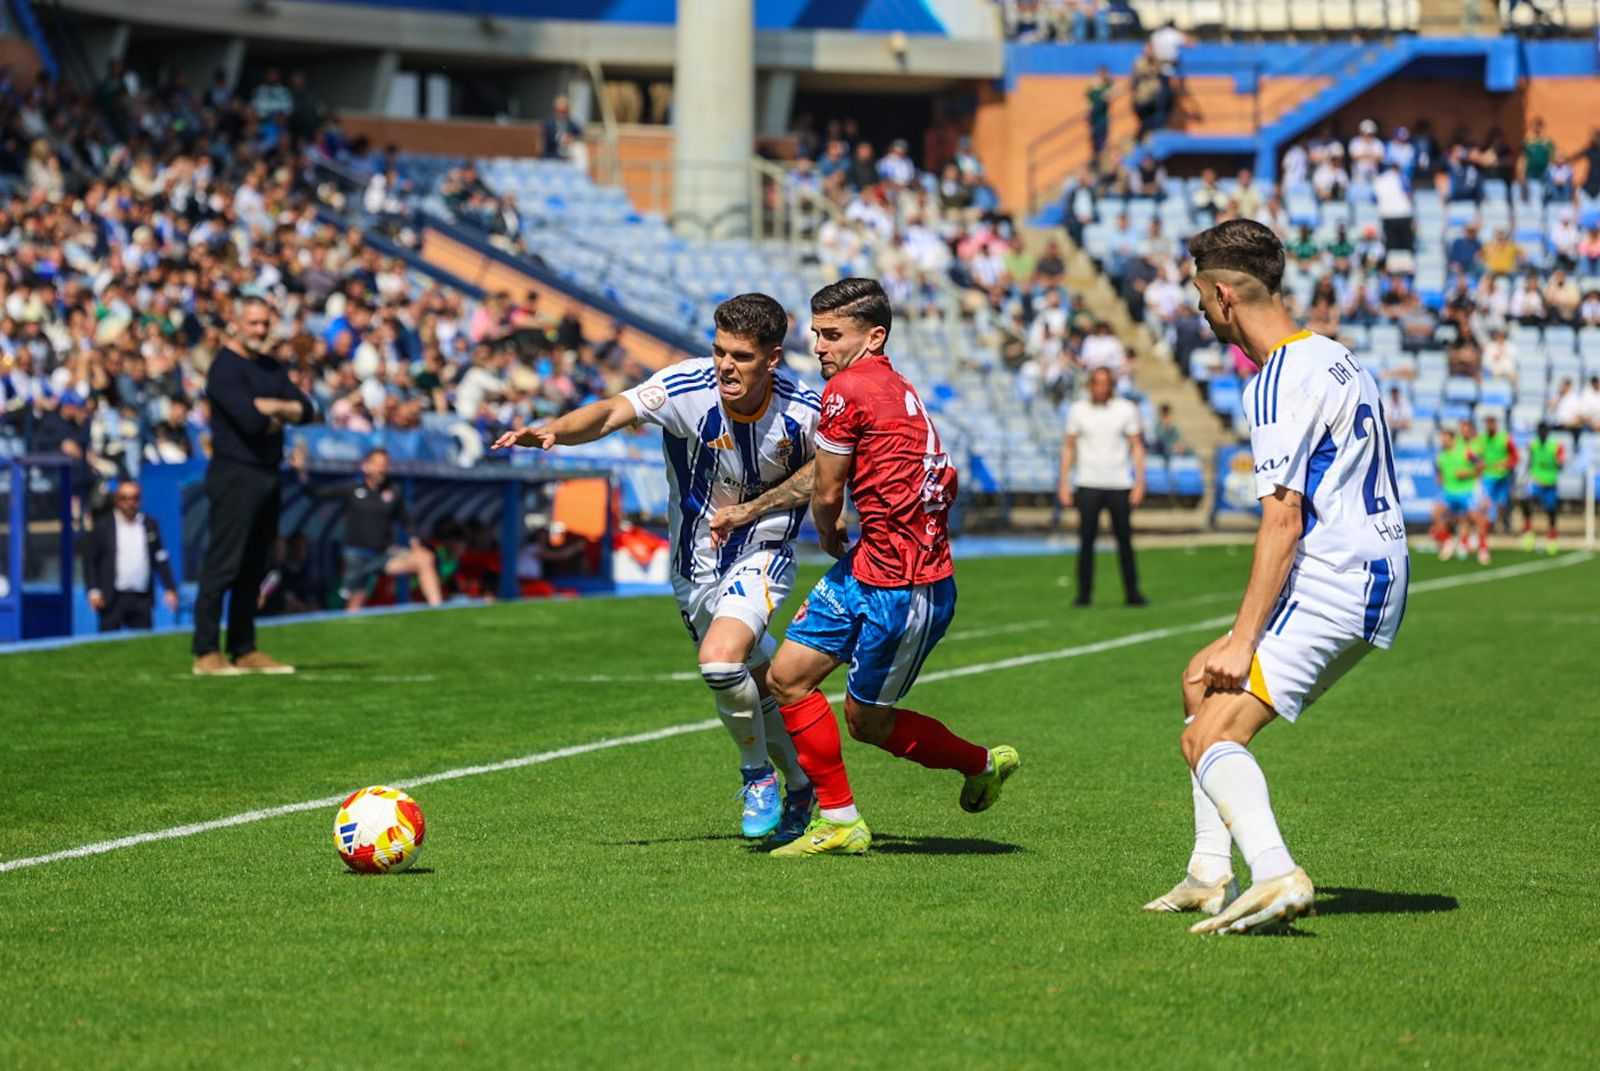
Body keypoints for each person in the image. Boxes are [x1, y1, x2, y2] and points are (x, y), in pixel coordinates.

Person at [1146, 220, 1408, 934]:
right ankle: (1208, 872)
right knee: (1201, 682)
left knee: (1209, 735)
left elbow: (1283, 520)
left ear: (1226, 295)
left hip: (1335, 577)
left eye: (1200, 294)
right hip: (1375, 566)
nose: (1198, 309)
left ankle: (1274, 872)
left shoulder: (1274, 383)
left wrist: (1246, 636)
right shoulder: (1337, 355)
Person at [493, 294, 818, 843]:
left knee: (719, 664)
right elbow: (612, 412)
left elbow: (829, 472)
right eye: (718, 351)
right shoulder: (686, 389)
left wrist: (782, 514)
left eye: (740, 355)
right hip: (694, 567)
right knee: (758, 686)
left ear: (773, 359)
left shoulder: (805, 409)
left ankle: (757, 775)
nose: (725, 366)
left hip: (763, 552)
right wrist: (556, 430)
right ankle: (801, 786)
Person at [759, 278, 1021, 858]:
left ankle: (981, 763)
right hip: (872, 566)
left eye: (832, 335)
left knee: (866, 723)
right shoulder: (891, 385)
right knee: (787, 678)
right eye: (817, 334)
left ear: (874, 336)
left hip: (906, 586)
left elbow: (827, 493)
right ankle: (840, 820)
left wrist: (829, 536)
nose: (820, 346)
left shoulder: (847, 388)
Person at [190, 296, 317, 676]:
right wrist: (280, 410)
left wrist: (273, 406)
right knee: (224, 563)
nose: (261, 330)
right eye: (254, 323)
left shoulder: (270, 366)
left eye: (265, 324)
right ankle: (206, 651)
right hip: (234, 473)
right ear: (236, 322)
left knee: (256, 564)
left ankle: (244, 648)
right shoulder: (225, 369)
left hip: (266, 472)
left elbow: (308, 410)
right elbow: (248, 421)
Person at [290, 446, 443, 611]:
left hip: (384, 555)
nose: (382, 468)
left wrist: (415, 543)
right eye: (377, 464)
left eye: (385, 464)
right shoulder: (353, 489)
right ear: (366, 466)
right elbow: (317, 493)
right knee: (355, 605)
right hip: (357, 556)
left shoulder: (393, 491)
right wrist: (301, 473)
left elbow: (407, 520)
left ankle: (437, 610)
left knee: (425, 559)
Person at [1059, 367, 1147, 607]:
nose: (1101, 388)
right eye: (1097, 383)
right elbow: (1068, 447)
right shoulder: (1078, 410)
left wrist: (1139, 481)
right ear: (1090, 385)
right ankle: (1084, 594)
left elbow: (1137, 446)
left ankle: (1132, 592)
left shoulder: (1126, 409)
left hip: (1119, 483)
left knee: (1125, 540)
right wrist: (1064, 483)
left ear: (1112, 385)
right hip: (1088, 482)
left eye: (1106, 383)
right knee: (1086, 540)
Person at [84, 481, 179, 632]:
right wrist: (93, 590)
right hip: (112, 598)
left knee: (143, 645)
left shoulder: (149, 524)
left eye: (134, 498)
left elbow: (160, 558)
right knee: (109, 647)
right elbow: (91, 560)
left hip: (141, 598)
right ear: (117, 500)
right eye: (124, 498)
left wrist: (170, 588)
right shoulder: (103, 526)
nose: (130, 503)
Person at [1432, 426, 1485, 563]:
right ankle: (1448, 543)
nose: (1443, 441)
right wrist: (1440, 478)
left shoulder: (1465, 452)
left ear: (1453, 439)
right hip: (1449, 492)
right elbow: (1439, 471)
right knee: (1437, 513)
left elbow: (1480, 465)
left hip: (1466, 492)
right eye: (1441, 438)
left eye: (1445, 438)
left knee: (1476, 518)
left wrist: (1467, 473)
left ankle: (1483, 548)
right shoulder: (1441, 456)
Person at [1520, 422, 1565, 555]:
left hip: (1550, 482)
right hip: (1536, 481)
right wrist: (1527, 476)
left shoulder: (1555, 446)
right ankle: (1528, 532)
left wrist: (1558, 463)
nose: (1542, 433)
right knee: (1525, 502)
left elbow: (1561, 464)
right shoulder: (1533, 444)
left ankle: (1552, 536)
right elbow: (1529, 461)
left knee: (1551, 511)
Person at [1470, 413, 1516, 535]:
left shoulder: (1504, 438)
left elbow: (1515, 456)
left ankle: (1502, 523)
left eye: (1492, 423)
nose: (1489, 426)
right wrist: (1478, 461)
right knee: (1486, 504)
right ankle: (1487, 528)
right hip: (1488, 477)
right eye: (1487, 423)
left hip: (1502, 477)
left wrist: (1507, 464)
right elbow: (1470, 453)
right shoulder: (1481, 439)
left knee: (1502, 504)